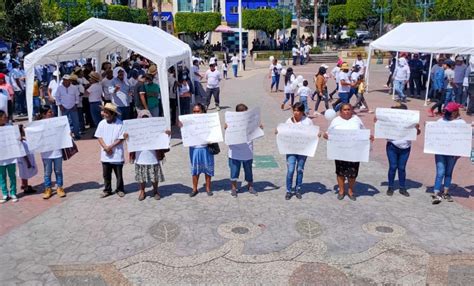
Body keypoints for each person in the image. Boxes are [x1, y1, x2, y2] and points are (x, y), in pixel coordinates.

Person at [324, 104, 373, 201]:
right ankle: (341, 191)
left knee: (353, 173)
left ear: (352, 110)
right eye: (344, 110)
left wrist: (369, 136)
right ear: (340, 111)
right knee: (340, 172)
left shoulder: (357, 119)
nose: (346, 111)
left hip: (354, 151)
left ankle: (350, 191)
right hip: (340, 151)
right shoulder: (336, 121)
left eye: (348, 109)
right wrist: (326, 135)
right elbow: (328, 133)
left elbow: (363, 132)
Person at [376, 104, 421, 197]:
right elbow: (381, 128)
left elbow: (418, 133)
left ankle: (402, 187)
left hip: (406, 147)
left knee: (402, 168)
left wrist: (416, 128)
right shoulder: (391, 120)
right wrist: (377, 123)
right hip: (392, 145)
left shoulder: (410, 120)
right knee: (393, 166)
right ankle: (390, 187)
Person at [276, 102, 316, 200]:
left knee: (300, 169)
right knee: (290, 170)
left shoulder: (308, 121)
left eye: (298, 111)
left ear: (302, 112)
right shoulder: (289, 121)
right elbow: (284, 131)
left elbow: (312, 133)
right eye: (295, 110)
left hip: (303, 149)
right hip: (291, 149)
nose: (296, 113)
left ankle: (298, 189)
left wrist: (316, 134)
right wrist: (278, 131)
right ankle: (289, 190)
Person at [128, 110, 168, 201]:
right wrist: (127, 136)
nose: (145, 120)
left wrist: (166, 134)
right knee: (141, 176)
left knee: (154, 175)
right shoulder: (135, 129)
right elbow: (130, 139)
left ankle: (155, 191)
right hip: (140, 156)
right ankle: (142, 191)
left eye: (146, 118)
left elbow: (162, 138)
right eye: (143, 118)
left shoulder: (155, 129)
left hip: (153, 155)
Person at [431, 102, 466, 205]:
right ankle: (436, 193)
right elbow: (433, 133)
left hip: (452, 153)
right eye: (446, 111)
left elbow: (463, 139)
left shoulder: (461, 124)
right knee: (440, 172)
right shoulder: (440, 121)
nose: (447, 113)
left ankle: (446, 192)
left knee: (448, 172)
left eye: (449, 112)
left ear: (455, 112)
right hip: (440, 152)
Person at [225, 104, 259, 197]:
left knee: (249, 171)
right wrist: (227, 128)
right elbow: (227, 134)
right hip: (235, 152)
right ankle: (233, 188)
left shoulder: (250, 121)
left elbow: (258, 130)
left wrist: (258, 127)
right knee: (234, 171)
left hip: (247, 152)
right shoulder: (231, 122)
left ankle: (250, 186)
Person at [94, 103, 126, 198]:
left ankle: (120, 189)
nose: (103, 114)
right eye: (104, 112)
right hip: (105, 154)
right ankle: (107, 190)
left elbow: (121, 138)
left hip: (117, 153)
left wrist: (110, 147)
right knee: (106, 174)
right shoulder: (101, 123)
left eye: (106, 112)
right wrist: (105, 147)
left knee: (119, 174)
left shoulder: (120, 124)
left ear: (112, 114)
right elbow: (99, 136)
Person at [183, 103, 215, 197]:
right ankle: (194, 189)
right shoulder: (189, 122)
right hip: (194, 149)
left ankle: (208, 188)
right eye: (194, 111)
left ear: (203, 112)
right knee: (195, 170)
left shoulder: (209, 121)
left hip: (206, 148)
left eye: (198, 111)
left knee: (208, 169)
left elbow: (214, 132)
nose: (196, 113)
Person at [38, 106, 66, 199]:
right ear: (43, 114)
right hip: (46, 153)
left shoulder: (57, 122)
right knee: (47, 172)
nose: (52, 113)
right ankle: (48, 188)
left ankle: (60, 187)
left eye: (51, 112)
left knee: (58, 171)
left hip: (57, 151)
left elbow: (63, 130)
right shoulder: (38, 124)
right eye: (49, 112)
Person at [0, 110, 18, 203]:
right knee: (1, 177)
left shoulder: (10, 127)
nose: (6, 118)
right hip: (1, 158)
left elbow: (16, 137)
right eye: (4, 116)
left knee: (12, 176)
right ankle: (4, 194)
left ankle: (13, 193)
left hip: (11, 156)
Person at [55, 74, 81, 140]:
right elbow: (57, 97)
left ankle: (77, 134)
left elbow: (77, 97)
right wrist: (60, 105)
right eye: (64, 80)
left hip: (73, 107)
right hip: (64, 107)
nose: (66, 81)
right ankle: (66, 136)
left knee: (76, 122)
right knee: (64, 122)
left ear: (70, 80)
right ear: (63, 80)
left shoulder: (74, 87)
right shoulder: (59, 88)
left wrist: (76, 104)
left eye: (67, 80)